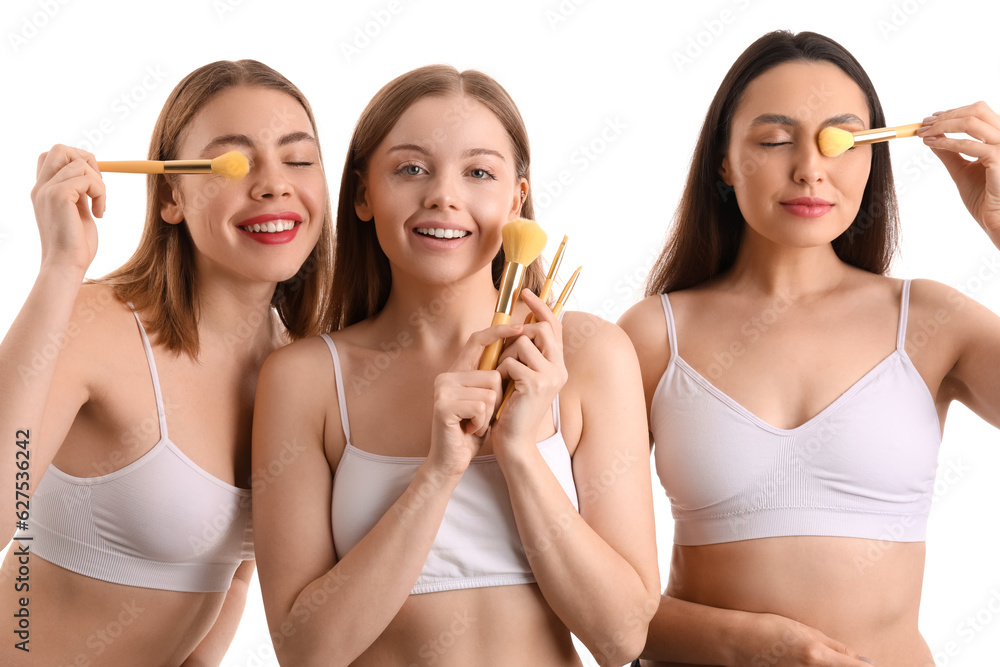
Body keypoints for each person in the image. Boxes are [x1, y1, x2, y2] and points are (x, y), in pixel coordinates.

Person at [252, 64, 660, 666]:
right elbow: (307, 652)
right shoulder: (305, 379)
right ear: (363, 193)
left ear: (517, 198)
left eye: (478, 172)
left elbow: (621, 637)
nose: (444, 195)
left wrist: (519, 452)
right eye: (411, 168)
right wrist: (440, 471)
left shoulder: (587, 355)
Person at [618, 30, 1000, 667]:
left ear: (874, 157)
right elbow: (596, 598)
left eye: (843, 139)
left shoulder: (931, 323)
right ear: (722, 160)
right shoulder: (653, 336)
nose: (810, 168)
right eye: (772, 140)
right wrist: (752, 645)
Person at [0, 59, 333, 665]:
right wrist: (58, 269)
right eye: (235, 159)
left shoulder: (293, 365)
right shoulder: (94, 323)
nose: (273, 184)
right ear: (172, 197)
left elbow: (232, 569)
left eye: (298, 158)